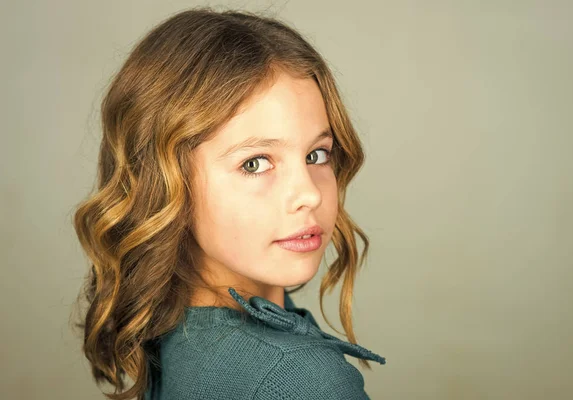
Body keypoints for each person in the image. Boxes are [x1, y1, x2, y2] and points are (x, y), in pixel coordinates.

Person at [71, 6, 386, 400]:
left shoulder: (165, 324)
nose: (310, 193)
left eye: (317, 154)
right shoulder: (301, 380)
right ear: (167, 183)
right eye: (255, 163)